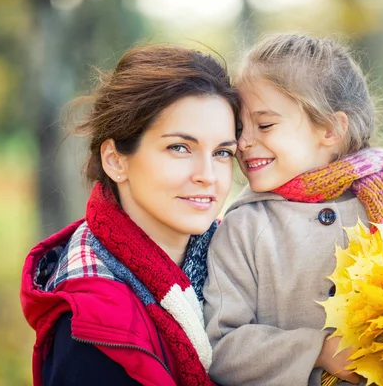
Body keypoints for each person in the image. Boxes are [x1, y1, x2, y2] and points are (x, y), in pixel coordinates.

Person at [20, 44, 240, 386]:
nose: (208, 175)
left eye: (223, 152)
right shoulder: (90, 329)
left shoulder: (241, 265)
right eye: (179, 148)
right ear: (115, 160)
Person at [203, 33, 383, 386]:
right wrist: (316, 351)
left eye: (265, 124)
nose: (243, 142)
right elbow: (221, 348)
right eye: (240, 128)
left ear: (330, 129)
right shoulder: (243, 227)